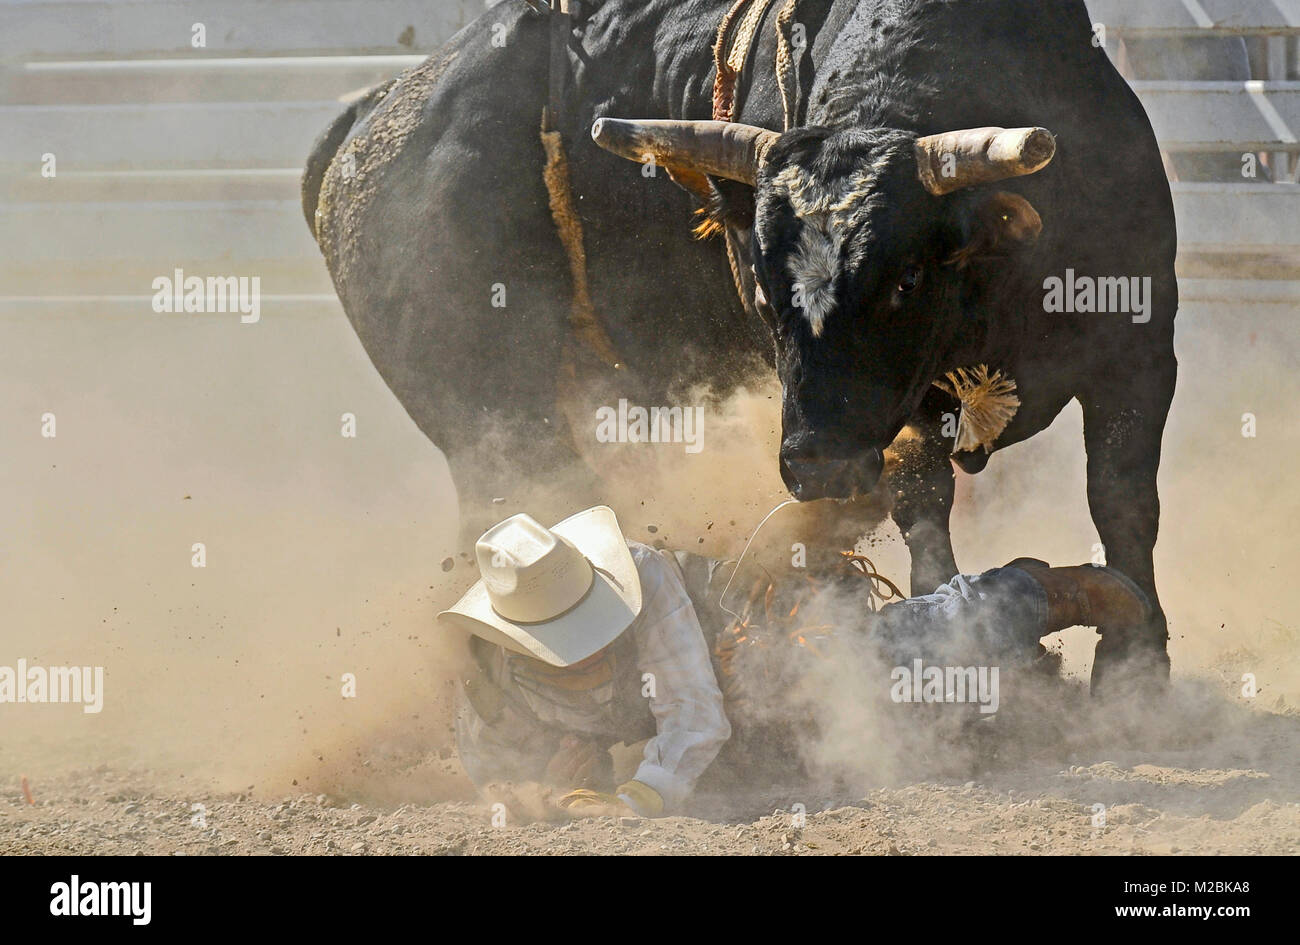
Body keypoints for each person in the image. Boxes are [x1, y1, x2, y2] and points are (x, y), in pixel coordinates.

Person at [437, 506, 1151, 820]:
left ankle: (1036, 593)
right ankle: (1019, 700)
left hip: (748, 645)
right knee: (846, 759)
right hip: (718, 740)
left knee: (866, 665)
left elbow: (691, 714)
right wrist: (559, 792)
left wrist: (633, 799)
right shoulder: (494, 686)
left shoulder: (646, 579)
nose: (585, 646)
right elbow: (503, 778)